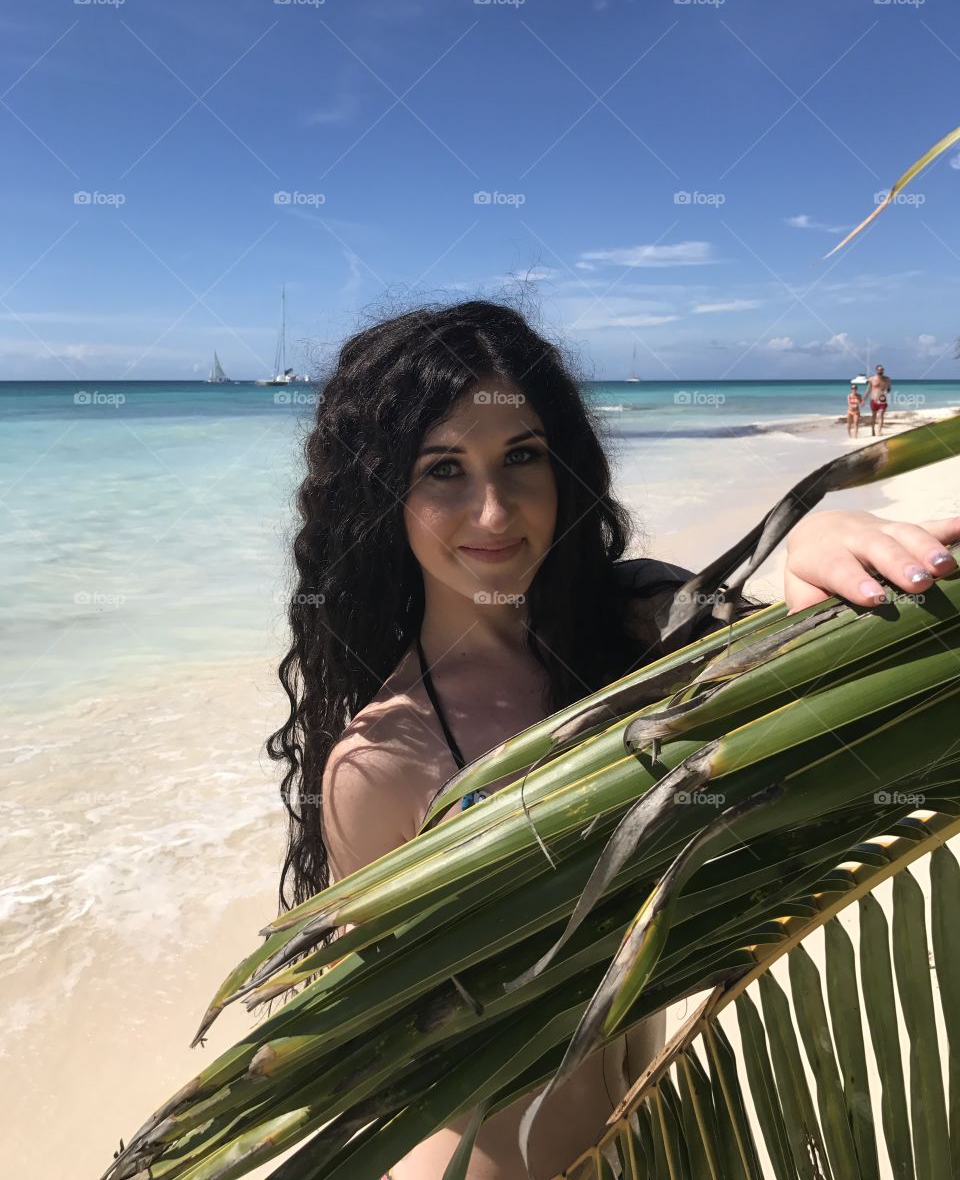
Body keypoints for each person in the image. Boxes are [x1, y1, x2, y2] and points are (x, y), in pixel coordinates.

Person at [265, 299, 960, 1180]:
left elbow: (755, 633)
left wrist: (817, 535)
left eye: (522, 457)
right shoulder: (384, 763)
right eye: (444, 470)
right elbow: (399, 1047)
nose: (492, 511)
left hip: (662, 1130)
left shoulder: (630, 640)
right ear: (383, 500)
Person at [866, 363, 892, 436]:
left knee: (880, 415)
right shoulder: (872, 379)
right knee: (874, 416)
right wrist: (864, 399)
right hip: (873, 400)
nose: (881, 371)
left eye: (882, 370)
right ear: (876, 370)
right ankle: (873, 430)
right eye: (879, 370)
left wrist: (886, 390)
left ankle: (879, 431)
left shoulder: (887, 379)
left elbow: (889, 389)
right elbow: (868, 390)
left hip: (883, 400)